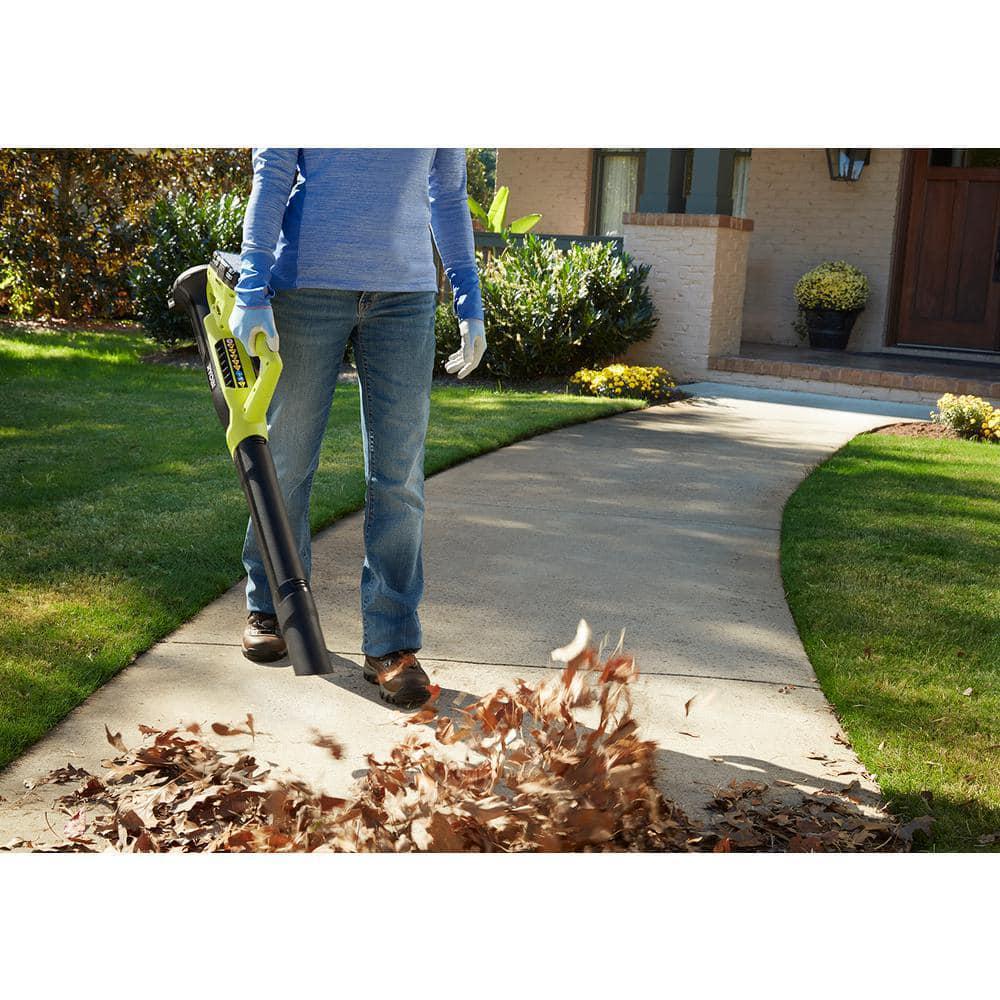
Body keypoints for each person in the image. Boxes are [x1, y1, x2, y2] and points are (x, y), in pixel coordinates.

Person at [229, 148, 486, 708]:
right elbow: (272, 175)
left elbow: (447, 195)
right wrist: (252, 285)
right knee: (288, 460)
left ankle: (391, 644)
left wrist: (469, 298)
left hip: (405, 298)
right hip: (307, 288)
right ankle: (271, 605)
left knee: (400, 476)